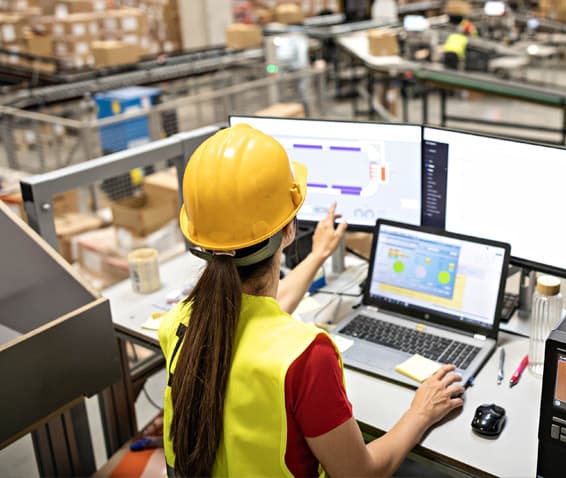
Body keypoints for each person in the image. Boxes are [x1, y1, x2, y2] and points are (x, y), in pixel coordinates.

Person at [159, 124, 465, 477]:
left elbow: (258, 316)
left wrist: (318, 254)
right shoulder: (308, 357)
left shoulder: (179, 322)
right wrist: (420, 412)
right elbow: (361, 475)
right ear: (289, 229)